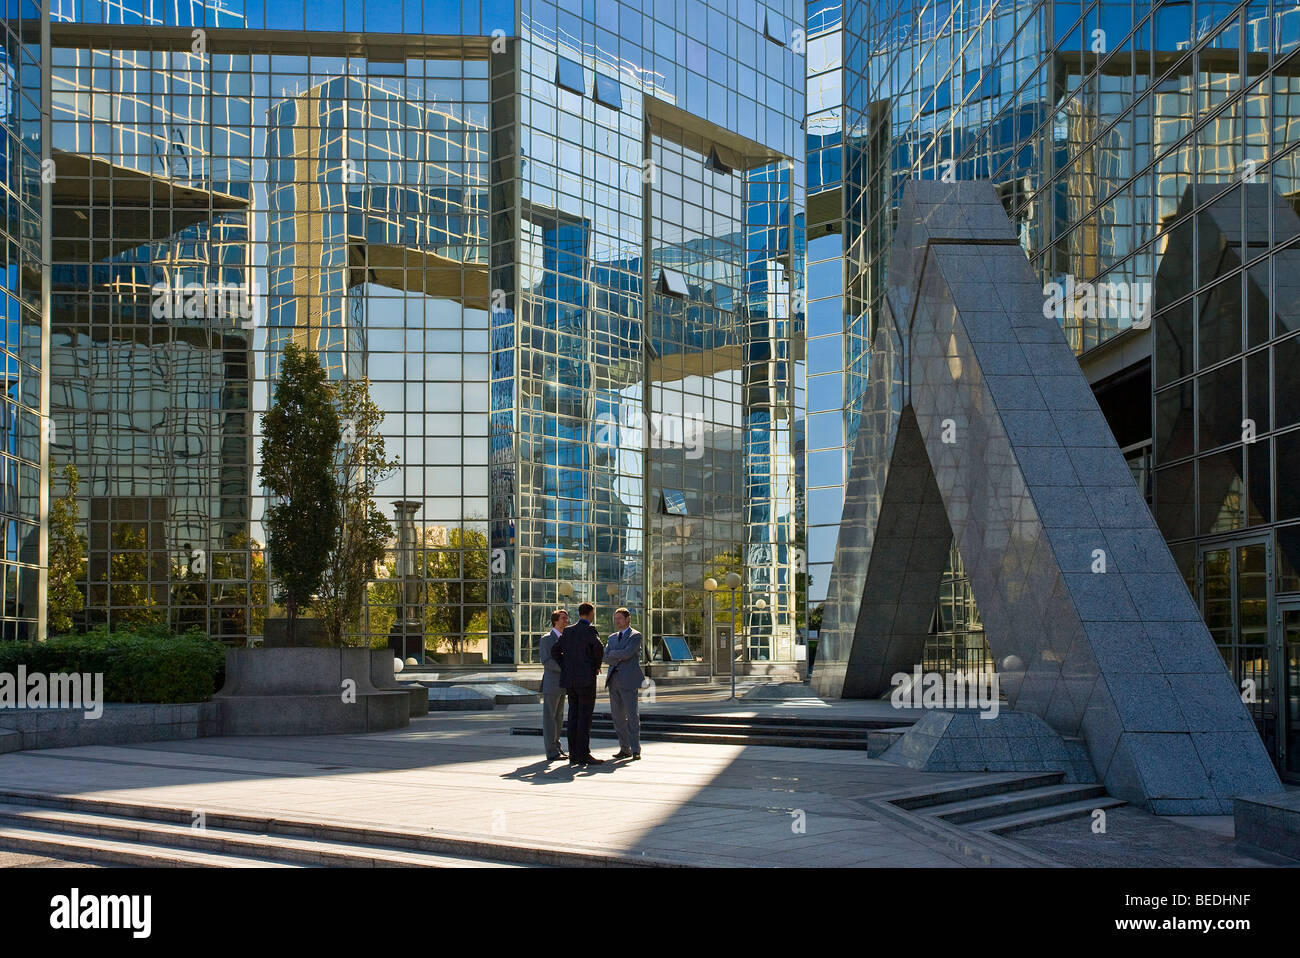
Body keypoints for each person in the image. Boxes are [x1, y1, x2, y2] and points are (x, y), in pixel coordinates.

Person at [551, 601, 604, 766]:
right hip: (586, 680)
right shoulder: (589, 630)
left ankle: (573, 753)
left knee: (573, 716)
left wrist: (566, 666)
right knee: (585, 717)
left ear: (579, 613)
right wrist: (595, 666)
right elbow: (599, 648)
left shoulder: (568, 631)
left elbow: (555, 651)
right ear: (590, 614)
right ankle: (583, 754)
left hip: (570, 681)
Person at [604, 607, 644, 760]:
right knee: (617, 716)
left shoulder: (635, 635)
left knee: (632, 715)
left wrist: (614, 654)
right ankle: (624, 748)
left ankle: (635, 749)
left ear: (628, 619)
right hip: (613, 680)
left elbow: (628, 653)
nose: (617, 621)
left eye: (620, 618)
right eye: (615, 618)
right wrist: (617, 656)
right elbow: (605, 656)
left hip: (628, 680)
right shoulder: (612, 637)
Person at [539, 609, 569, 762]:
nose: (566, 621)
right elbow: (546, 661)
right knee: (550, 718)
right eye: (563, 618)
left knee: (559, 717)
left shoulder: (567, 638)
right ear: (555, 621)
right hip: (552, 684)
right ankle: (551, 751)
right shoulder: (546, 639)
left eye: (567, 618)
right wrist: (566, 668)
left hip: (564, 684)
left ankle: (557, 747)